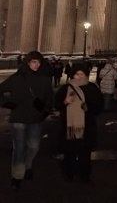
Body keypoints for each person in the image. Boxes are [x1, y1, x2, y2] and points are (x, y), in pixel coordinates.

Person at [0, 51, 54, 190]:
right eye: (34, 62)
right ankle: (17, 176)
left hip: (35, 118)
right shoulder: (17, 78)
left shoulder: (45, 80)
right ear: (28, 62)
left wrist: (45, 111)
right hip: (18, 118)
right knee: (19, 148)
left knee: (34, 146)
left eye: (39, 62)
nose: (36, 65)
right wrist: (6, 103)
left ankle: (28, 165)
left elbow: (50, 98)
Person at [54, 64, 104, 183]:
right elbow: (56, 105)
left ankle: (85, 176)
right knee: (69, 152)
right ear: (72, 75)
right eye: (77, 74)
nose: (79, 76)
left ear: (86, 75)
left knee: (85, 153)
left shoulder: (92, 88)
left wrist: (89, 107)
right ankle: (69, 174)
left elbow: (99, 106)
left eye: (82, 74)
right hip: (69, 126)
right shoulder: (65, 88)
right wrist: (65, 102)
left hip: (87, 127)